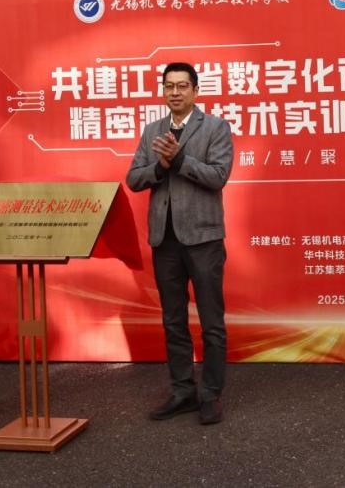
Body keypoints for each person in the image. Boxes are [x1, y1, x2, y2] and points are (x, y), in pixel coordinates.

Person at [126, 62, 234, 425]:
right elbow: (134, 179)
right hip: (165, 239)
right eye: (169, 86)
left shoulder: (216, 127)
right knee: (173, 320)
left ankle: (211, 394)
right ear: (163, 91)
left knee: (211, 321)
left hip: (203, 238)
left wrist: (180, 160)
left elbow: (218, 176)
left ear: (195, 91)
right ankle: (183, 391)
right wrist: (159, 167)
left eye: (182, 86)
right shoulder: (152, 131)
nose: (175, 92)